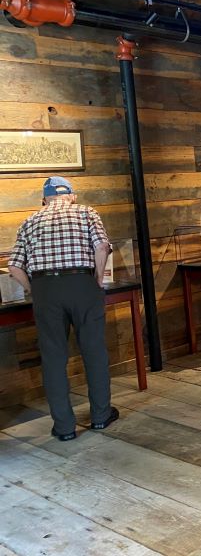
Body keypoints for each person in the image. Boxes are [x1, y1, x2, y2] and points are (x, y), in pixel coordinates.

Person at [7, 176, 118, 441]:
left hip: (46, 289)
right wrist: (98, 279)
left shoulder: (30, 221)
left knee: (54, 358)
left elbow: (14, 267)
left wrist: (35, 289)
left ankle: (64, 428)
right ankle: (101, 416)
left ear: (44, 199)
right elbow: (101, 246)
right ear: (72, 195)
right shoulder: (86, 213)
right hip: (82, 283)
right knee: (93, 351)